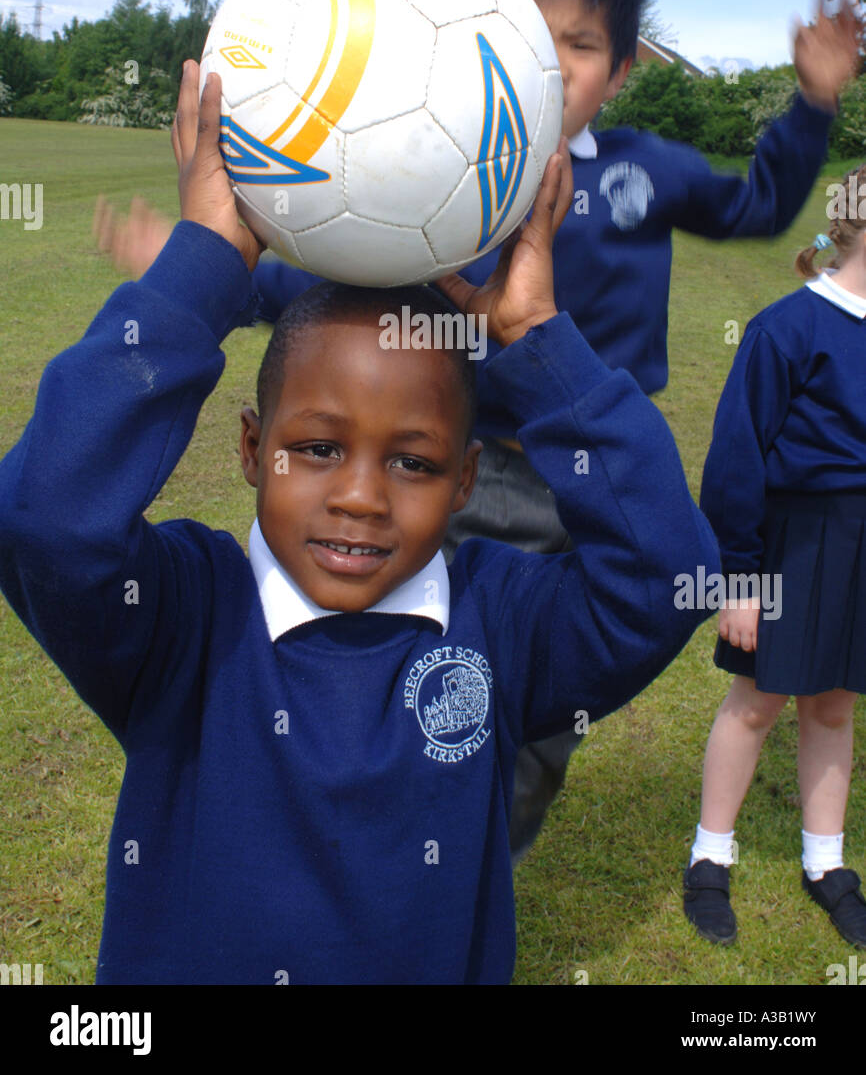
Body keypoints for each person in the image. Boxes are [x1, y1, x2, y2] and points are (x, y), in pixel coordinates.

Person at [91, 0, 862, 862]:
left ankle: (479, 848)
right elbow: (343, 290)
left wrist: (814, 105)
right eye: (530, 35)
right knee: (400, 668)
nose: (548, 66)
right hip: (444, 475)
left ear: (619, 72)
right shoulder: (424, 177)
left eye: (578, 47)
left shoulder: (644, 169)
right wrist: (203, 274)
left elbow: (753, 208)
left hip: (580, 492)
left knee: (536, 703)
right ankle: (377, 831)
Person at [0, 61, 719, 985]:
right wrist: (202, 267)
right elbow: (44, 517)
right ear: (254, 450)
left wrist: (537, 338)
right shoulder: (182, 617)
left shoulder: (496, 621)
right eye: (319, 449)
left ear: (465, 481)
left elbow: (667, 577)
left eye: (414, 463)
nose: (362, 498)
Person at [683, 161, 866, 948]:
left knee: (834, 701)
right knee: (758, 701)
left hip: (861, 542)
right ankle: (709, 857)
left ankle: (826, 864)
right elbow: (734, 462)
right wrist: (742, 580)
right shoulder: (785, 329)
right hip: (791, 542)